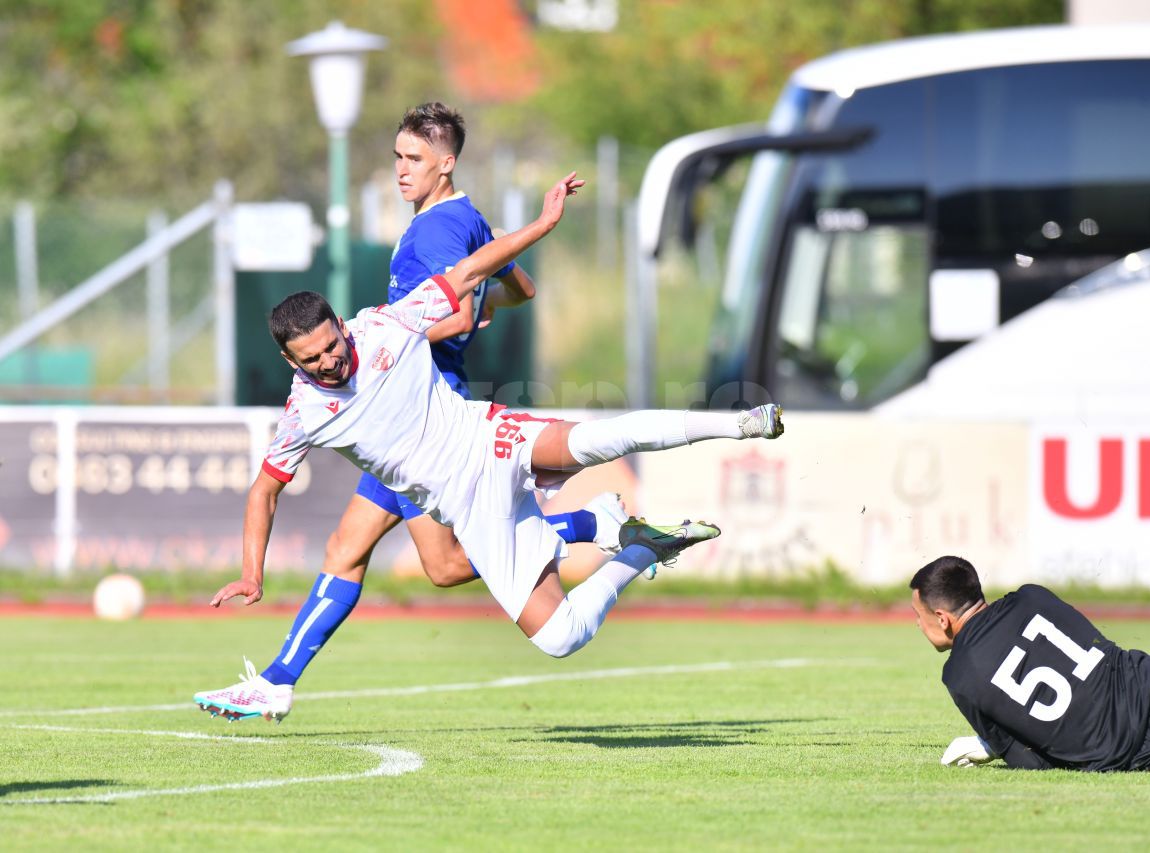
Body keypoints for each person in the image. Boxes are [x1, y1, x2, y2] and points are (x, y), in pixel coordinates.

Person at [194, 172, 784, 722]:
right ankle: (638, 550)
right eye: (312, 358)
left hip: (491, 443)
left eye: (331, 345)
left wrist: (540, 226)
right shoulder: (303, 414)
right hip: (468, 510)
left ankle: (741, 423)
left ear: (343, 327)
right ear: (288, 362)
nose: (330, 361)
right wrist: (253, 573)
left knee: (600, 439)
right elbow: (263, 491)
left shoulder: (386, 324)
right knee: (560, 638)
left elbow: (470, 272)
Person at [246, 103, 630, 700]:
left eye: (414, 159)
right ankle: (588, 522)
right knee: (437, 565)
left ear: (445, 164)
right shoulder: (461, 216)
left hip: (419, 420)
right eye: (397, 156)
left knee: (372, 553)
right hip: (421, 411)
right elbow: (520, 288)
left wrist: (390, 347)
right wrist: (479, 304)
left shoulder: (435, 229)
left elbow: (455, 314)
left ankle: (277, 681)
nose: (401, 169)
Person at [910, 555, 1150, 772]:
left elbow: (1030, 760)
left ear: (941, 618)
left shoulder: (960, 677)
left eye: (918, 615)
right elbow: (1098, 648)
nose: (918, 625)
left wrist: (993, 745)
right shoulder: (1032, 597)